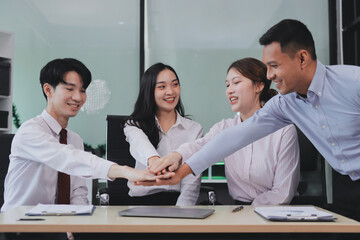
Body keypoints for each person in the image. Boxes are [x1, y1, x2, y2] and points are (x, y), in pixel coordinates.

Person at [139, 19, 360, 221]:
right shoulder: (285, 104)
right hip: (345, 187)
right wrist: (182, 170)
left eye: (274, 66)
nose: (270, 75)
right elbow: (235, 137)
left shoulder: (353, 82)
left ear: (302, 58)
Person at [1, 58, 172, 213]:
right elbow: (66, 157)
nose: (78, 97)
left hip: (56, 228)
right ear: (48, 90)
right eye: (69, 89)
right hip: (20, 226)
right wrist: (124, 171)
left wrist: (77, 227)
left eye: (82, 90)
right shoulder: (30, 131)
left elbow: (78, 193)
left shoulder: (74, 139)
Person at [144, 58, 300, 205]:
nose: (229, 91)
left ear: (259, 86)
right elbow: (200, 147)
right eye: (227, 85)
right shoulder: (224, 127)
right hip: (237, 212)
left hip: (276, 216)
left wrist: (251, 213)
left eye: (236, 83)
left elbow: (283, 192)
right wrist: (175, 155)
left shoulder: (284, 131)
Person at [124, 62, 203, 206]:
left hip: (179, 203)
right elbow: (139, 143)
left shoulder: (194, 129)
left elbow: (191, 182)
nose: (171, 92)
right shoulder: (134, 125)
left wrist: (180, 216)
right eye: (162, 87)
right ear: (149, 91)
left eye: (175, 84)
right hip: (141, 205)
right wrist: (154, 161)